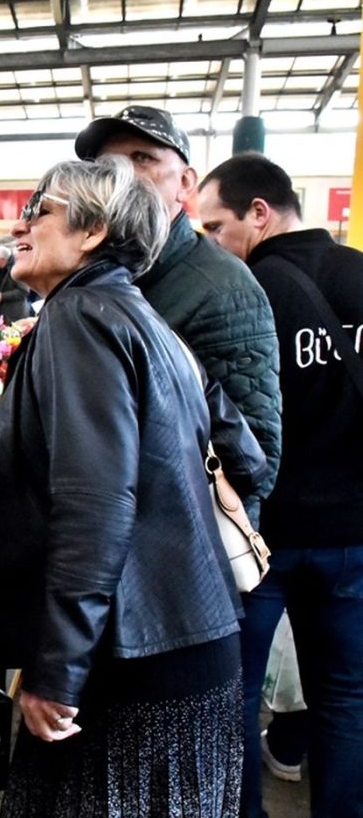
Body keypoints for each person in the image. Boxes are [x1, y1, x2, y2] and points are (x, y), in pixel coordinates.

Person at [0, 155, 268, 816]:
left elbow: (96, 500)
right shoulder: (148, 322)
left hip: (128, 673)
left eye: (41, 210)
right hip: (190, 649)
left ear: (92, 231)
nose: (22, 225)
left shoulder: (79, 315)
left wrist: (57, 669)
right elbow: (243, 453)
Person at [198, 152, 363, 818]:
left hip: (261, 538)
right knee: (347, 696)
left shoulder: (245, 292)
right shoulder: (361, 274)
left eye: (215, 228)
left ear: (258, 213)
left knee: (233, 692)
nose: (212, 244)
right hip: (354, 533)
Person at [76, 106, 281, 525]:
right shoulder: (103, 276)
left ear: (186, 182)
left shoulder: (223, 288)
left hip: (184, 547)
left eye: (142, 159)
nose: (122, 175)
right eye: (107, 165)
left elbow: (254, 456)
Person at [0, 243, 33, 321]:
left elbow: (24, 291)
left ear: (3, 260)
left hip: (14, 314)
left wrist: (2, 296)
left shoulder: (18, 268)